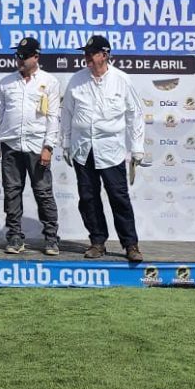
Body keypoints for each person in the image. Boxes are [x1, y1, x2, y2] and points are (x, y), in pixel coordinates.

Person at [61, 35, 144, 262]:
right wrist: (66, 143)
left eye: (91, 53)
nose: (86, 57)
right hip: (83, 149)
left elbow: (135, 115)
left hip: (111, 149)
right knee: (88, 197)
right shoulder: (76, 80)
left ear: (105, 55)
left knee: (118, 196)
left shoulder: (122, 80)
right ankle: (97, 242)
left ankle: (131, 244)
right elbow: (66, 113)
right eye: (85, 53)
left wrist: (137, 147)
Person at [0, 37, 61, 255]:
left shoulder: (50, 82)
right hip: (10, 144)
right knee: (11, 192)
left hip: (37, 146)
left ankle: (51, 238)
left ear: (35, 57)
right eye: (17, 55)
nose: (20, 59)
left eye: (24, 56)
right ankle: (14, 236)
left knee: (43, 192)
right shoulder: (6, 82)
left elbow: (53, 117)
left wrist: (49, 146)